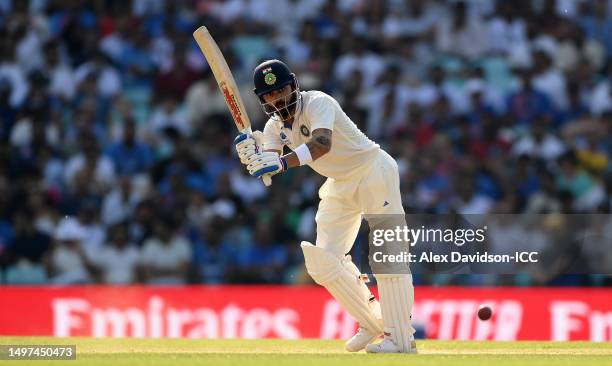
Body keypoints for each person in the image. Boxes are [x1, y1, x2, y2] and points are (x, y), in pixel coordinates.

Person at [234, 60, 416, 353]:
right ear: (262, 99)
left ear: (293, 85)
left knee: (388, 255)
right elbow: (268, 171)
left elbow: (321, 144)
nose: (277, 98)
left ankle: (401, 338)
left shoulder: (318, 102)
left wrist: (280, 162)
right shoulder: (272, 127)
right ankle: (372, 323)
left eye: (281, 89)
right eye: (269, 94)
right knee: (322, 261)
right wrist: (253, 157)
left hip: (372, 170)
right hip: (339, 182)